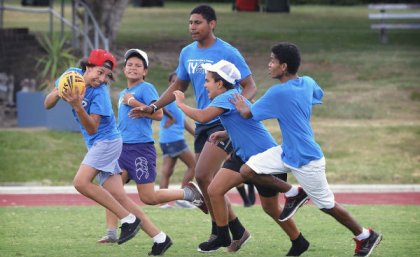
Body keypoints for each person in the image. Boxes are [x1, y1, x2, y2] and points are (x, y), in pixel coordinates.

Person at [233, 42, 382, 257]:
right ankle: (294, 193)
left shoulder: (278, 93)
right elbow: (316, 95)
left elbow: (248, 114)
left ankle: (365, 236)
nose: (269, 65)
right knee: (247, 170)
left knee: (327, 205)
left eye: (272, 61)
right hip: (287, 152)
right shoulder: (308, 82)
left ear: (283, 66)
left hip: (306, 159)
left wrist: (241, 105)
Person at [129, 5, 257, 252]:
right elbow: (179, 84)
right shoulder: (187, 52)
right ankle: (237, 231)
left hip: (223, 122)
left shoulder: (228, 51)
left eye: (197, 22)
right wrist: (153, 105)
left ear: (212, 24)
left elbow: (249, 85)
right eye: (190, 23)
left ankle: (219, 233)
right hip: (202, 123)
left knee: (201, 175)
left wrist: (239, 108)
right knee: (206, 180)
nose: (192, 27)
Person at [173, 59, 310, 255]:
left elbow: (202, 117)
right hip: (241, 155)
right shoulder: (232, 96)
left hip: (263, 159)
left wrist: (180, 103)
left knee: (270, 208)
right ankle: (222, 234)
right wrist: (225, 133)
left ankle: (299, 240)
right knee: (214, 190)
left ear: (220, 83)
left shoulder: (226, 97)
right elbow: (245, 124)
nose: (204, 85)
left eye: (208, 81)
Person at [96, 49, 207, 255]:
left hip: (141, 149)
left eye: (138, 65)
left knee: (148, 197)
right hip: (121, 148)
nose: (133, 68)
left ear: (145, 71)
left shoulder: (146, 88)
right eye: (130, 64)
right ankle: (111, 232)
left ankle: (187, 193)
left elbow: (159, 114)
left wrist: (134, 102)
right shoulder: (122, 93)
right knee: (110, 188)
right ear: (124, 68)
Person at [43, 49, 142, 245]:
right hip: (96, 144)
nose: (102, 79)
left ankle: (129, 220)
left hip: (107, 141)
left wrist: (77, 106)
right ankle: (159, 237)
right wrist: (58, 92)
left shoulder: (100, 94)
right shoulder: (71, 75)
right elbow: (47, 104)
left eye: (107, 76)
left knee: (81, 182)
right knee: (118, 194)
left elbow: (92, 128)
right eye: (100, 72)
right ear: (87, 67)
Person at [158, 72, 197, 209]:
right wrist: (170, 117)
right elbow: (157, 104)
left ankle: (163, 203)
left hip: (169, 140)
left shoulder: (177, 99)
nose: (177, 84)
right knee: (194, 165)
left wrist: (195, 133)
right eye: (173, 81)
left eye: (178, 81)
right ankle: (182, 198)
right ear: (170, 83)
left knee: (167, 171)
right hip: (173, 139)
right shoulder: (168, 98)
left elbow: (183, 121)